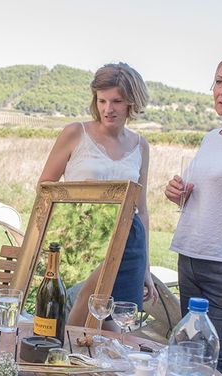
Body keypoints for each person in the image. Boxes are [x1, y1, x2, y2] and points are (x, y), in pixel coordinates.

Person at [38, 62, 158, 328]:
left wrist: (146, 268)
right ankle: (61, 364)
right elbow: (45, 189)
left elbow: (143, 209)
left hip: (129, 241)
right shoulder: (74, 133)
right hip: (83, 240)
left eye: (117, 101)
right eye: (102, 100)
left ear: (131, 103)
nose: (108, 108)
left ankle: (97, 369)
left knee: (113, 323)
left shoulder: (141, 146)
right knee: (78, 311)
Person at [165, 50, 222, 376]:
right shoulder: (212, 138)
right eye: (219, 81)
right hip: (192, 261)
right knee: (187, 367)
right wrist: (178, 193)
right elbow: (208, 194)